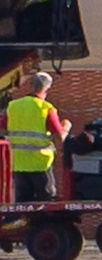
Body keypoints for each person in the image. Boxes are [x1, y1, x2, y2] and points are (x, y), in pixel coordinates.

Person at [7, 71, 68, 203]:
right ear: (48, 88)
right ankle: (44, 224)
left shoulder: (13, 106)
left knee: (23, 204)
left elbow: (3, 129)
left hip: (18, 164)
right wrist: (66, 128)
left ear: (30, 85)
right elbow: (59, 137)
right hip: (40, 164)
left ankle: (24, 223)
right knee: (46, 203)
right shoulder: (45, 108)